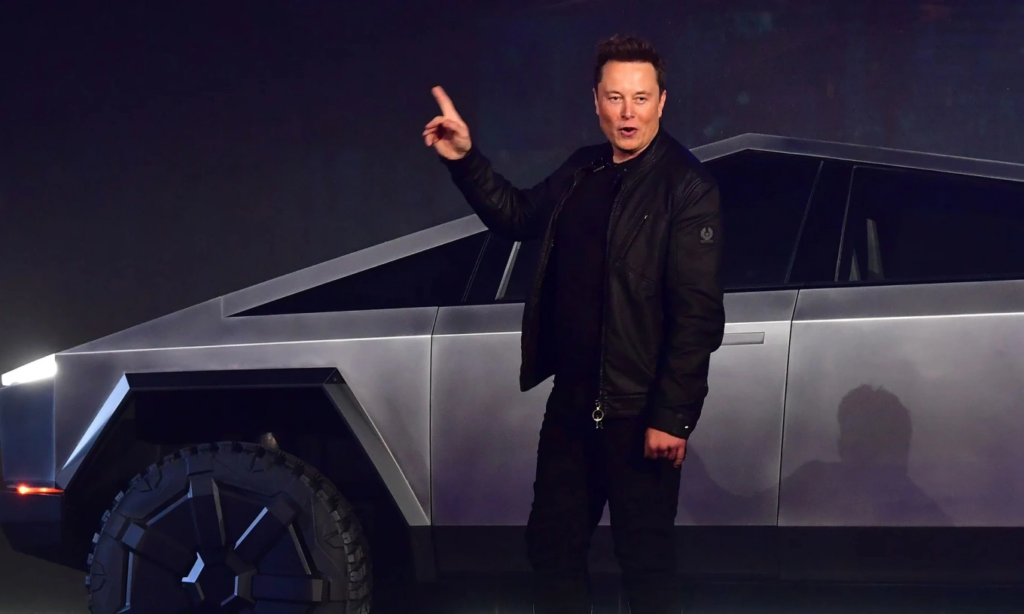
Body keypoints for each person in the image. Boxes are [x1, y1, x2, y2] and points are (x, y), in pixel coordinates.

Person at [423, 34, 725, 614]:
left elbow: (698, 315)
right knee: (552, 549)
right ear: (596, 101)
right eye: (615, 97)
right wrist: (464, 159)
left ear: (662, 102)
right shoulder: (582, 168)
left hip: (639, 410)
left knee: (645, 562)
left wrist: (673, 417)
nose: (628, 112)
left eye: (641, 98)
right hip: (573, 402)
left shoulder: (687, 187)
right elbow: (518, 217)